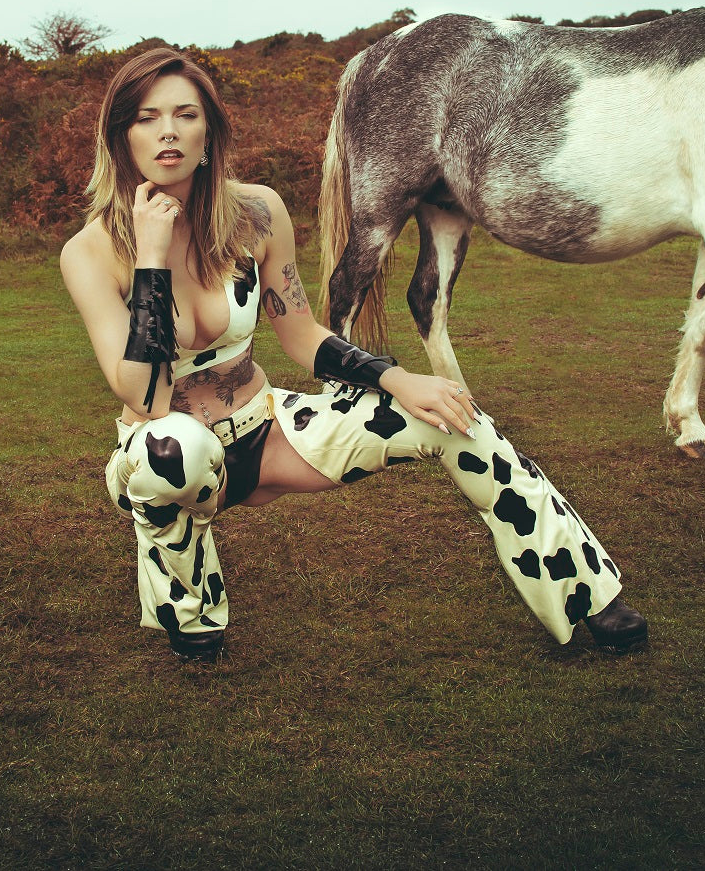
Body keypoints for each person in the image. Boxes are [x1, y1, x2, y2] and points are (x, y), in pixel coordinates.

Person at [60, 47, 646, 662]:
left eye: (186, 114)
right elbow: (144, 396)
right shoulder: (92, 252)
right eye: (147, 117)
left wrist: (400, 381)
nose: (169, 131)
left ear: (210, 130)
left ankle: (587, 596)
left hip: (265, 429)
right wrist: (151, 255)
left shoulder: (257, 214)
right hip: (167, 458)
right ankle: (190, 606)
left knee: (452, 418)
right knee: (173, 449)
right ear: (120, 136)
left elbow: (303, 335)